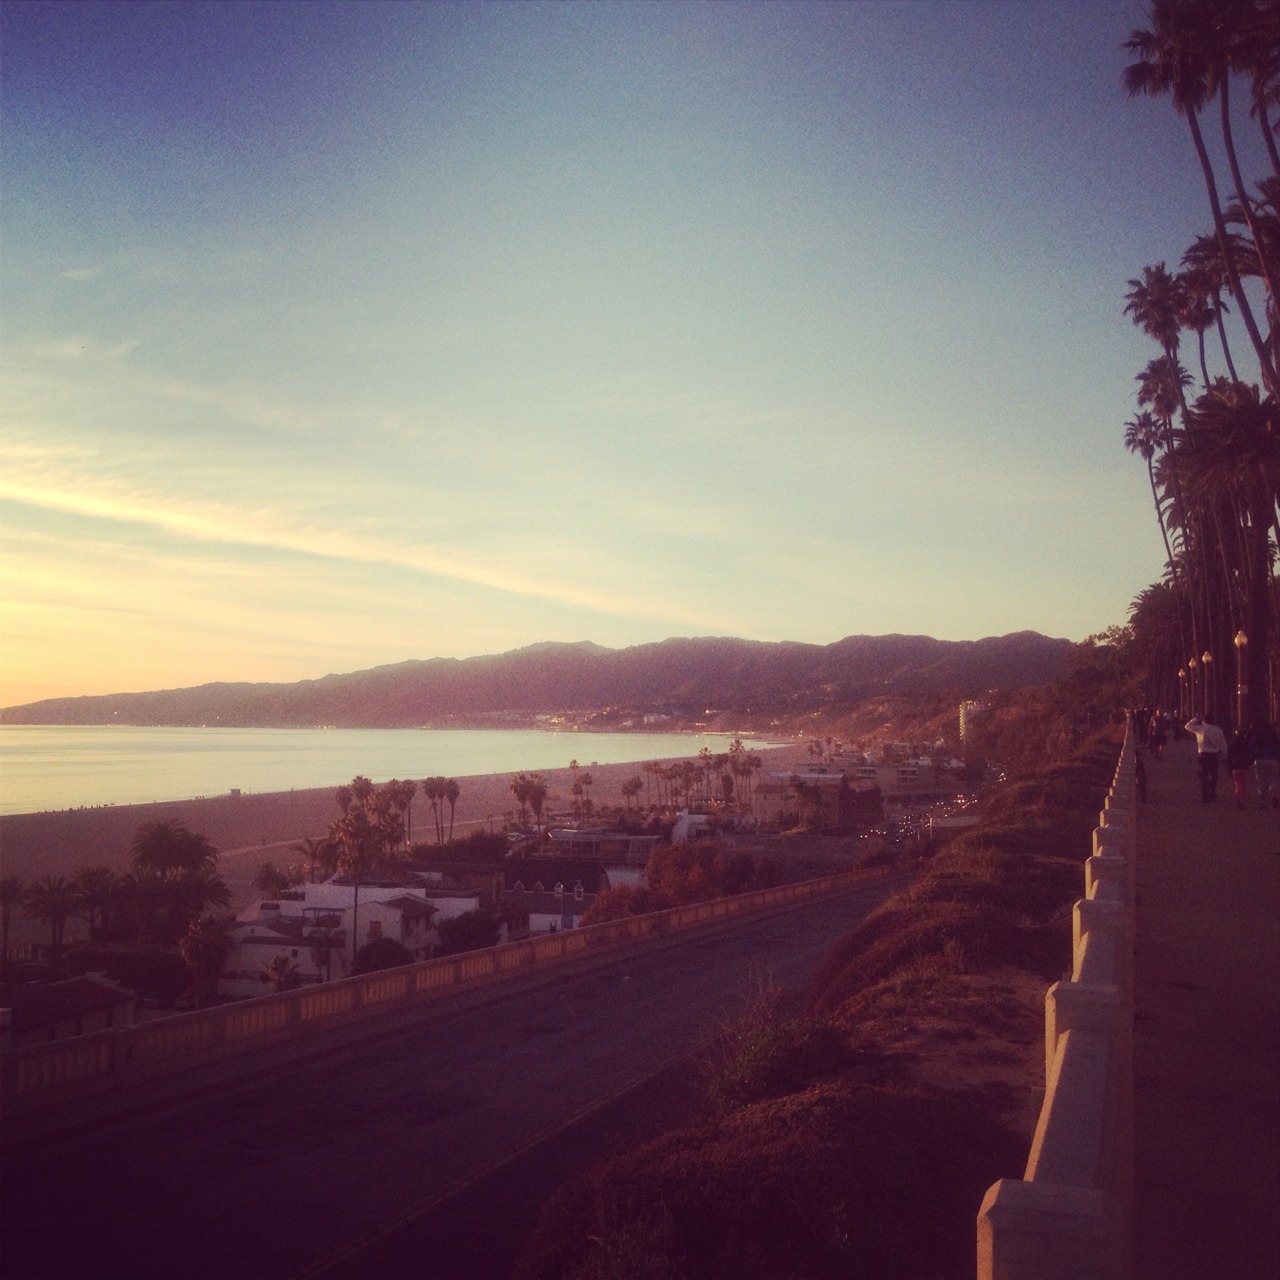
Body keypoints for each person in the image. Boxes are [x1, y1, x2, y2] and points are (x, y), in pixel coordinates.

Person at [1185, 715, 1229, 802]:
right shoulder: (1218, 730)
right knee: (1214, 774)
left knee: (1204, 774)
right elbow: (1222, 743)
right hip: (1214, 754)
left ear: (1204, 721)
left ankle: (1205, 794)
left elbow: (1187, 726)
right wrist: (1225, 753)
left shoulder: (1201, 729)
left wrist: (1195, 719)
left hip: (1203, 754)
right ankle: (1212, 792)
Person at [1247, 721, 1280, 809]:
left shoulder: (1258, 737)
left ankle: (1263, 802)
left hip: (1260, 760)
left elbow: (1251, 748)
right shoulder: (1275, 738)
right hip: (1273, 760)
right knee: (1274, 779)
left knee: (1262, 781)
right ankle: (1275, 795)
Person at [1226, 729, 1254, 809]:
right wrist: (1250, 762)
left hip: (1235, 766)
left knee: (1238, 784)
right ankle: (1242, 800)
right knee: (1243, 784)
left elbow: (1229, 755)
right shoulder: (1246, 743)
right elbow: (1250, 754)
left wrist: (1229, 765)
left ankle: (1239, 799)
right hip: (1244, 766)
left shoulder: (1232, 743)